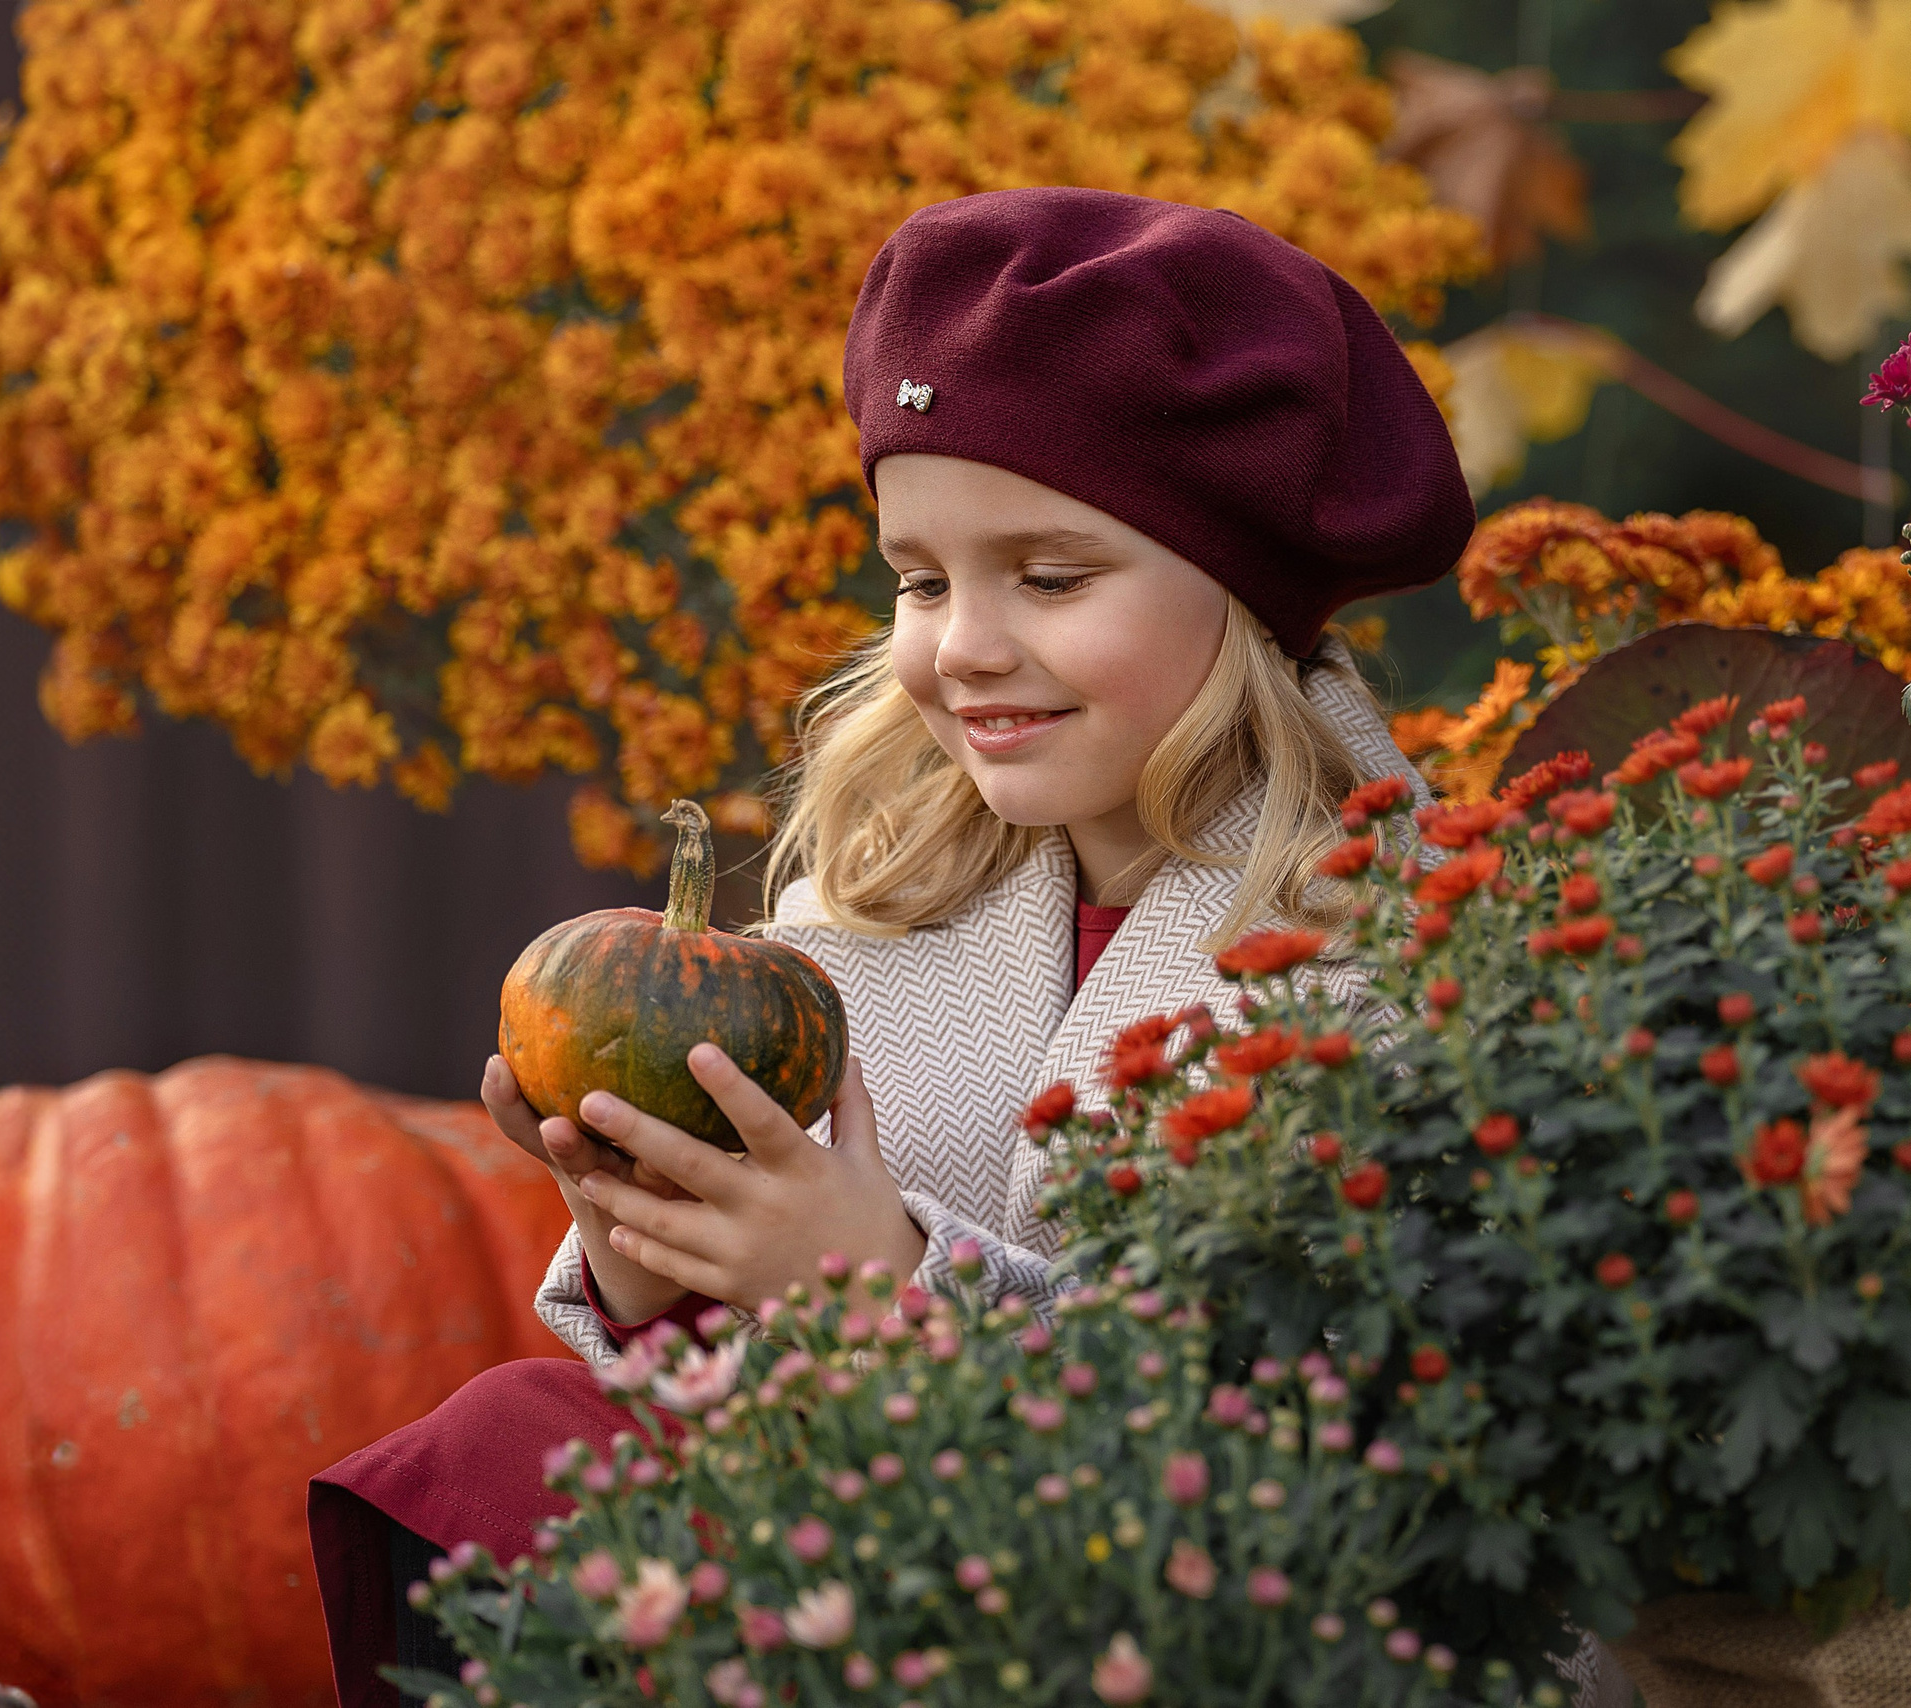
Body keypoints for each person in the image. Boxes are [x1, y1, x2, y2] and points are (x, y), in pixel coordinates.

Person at [311, 185, 1623, 1708]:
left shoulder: (1410, 962)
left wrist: (886, 1292)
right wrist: (657, 1258)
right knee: (512, 1445)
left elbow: (1342, 1470)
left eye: (1050, 578)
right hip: (872, 1610)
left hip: (1202, 1652)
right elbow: (708, 1416)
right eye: (921, 580)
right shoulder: (862, 926)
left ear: (1249, 596)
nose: (963, 646)